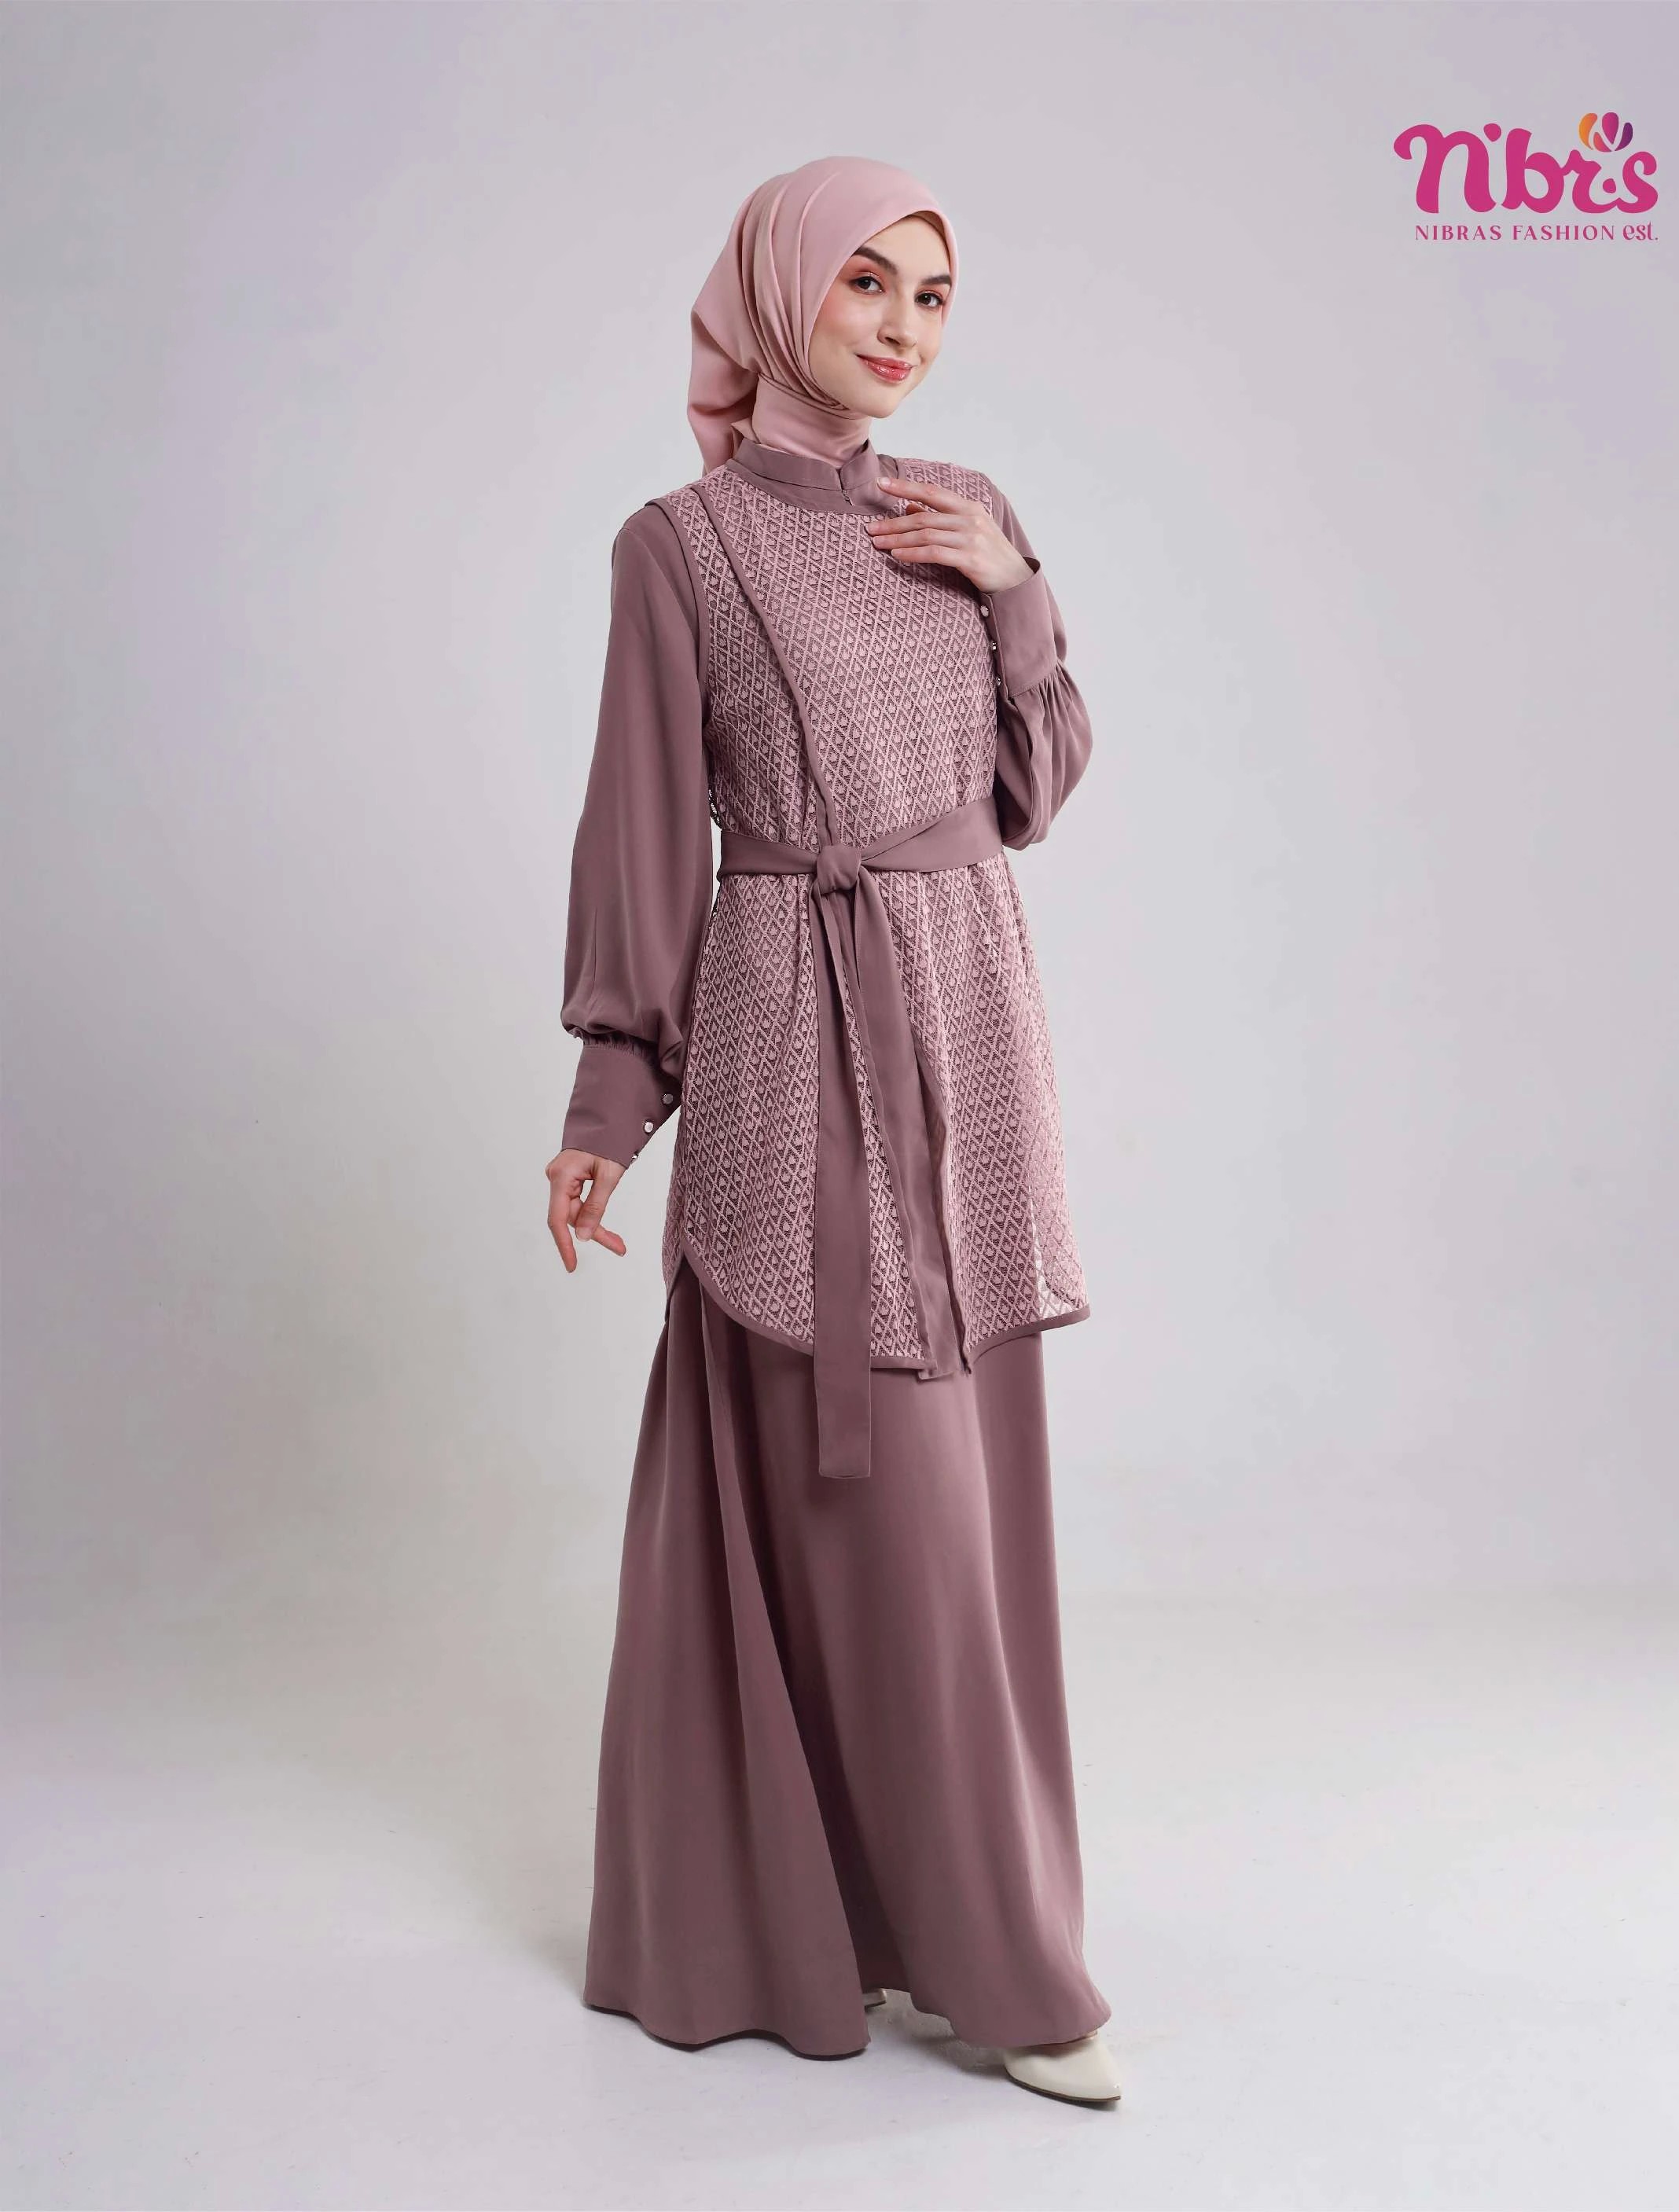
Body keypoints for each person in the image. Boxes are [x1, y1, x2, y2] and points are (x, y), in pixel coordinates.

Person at [545, 153, 1120, 2110]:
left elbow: (1032, 789)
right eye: (864, 281)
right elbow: (644, 830)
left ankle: (925, 1918)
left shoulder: (965, 513)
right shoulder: (679, 548)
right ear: (777, 289)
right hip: (798, 1029)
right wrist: (609, 1101)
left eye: (933, 295)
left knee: (965, 1503)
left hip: (969, 1032)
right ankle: (991, 1968)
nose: (900, 327)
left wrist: (1018, 594)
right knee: (862, 1495)